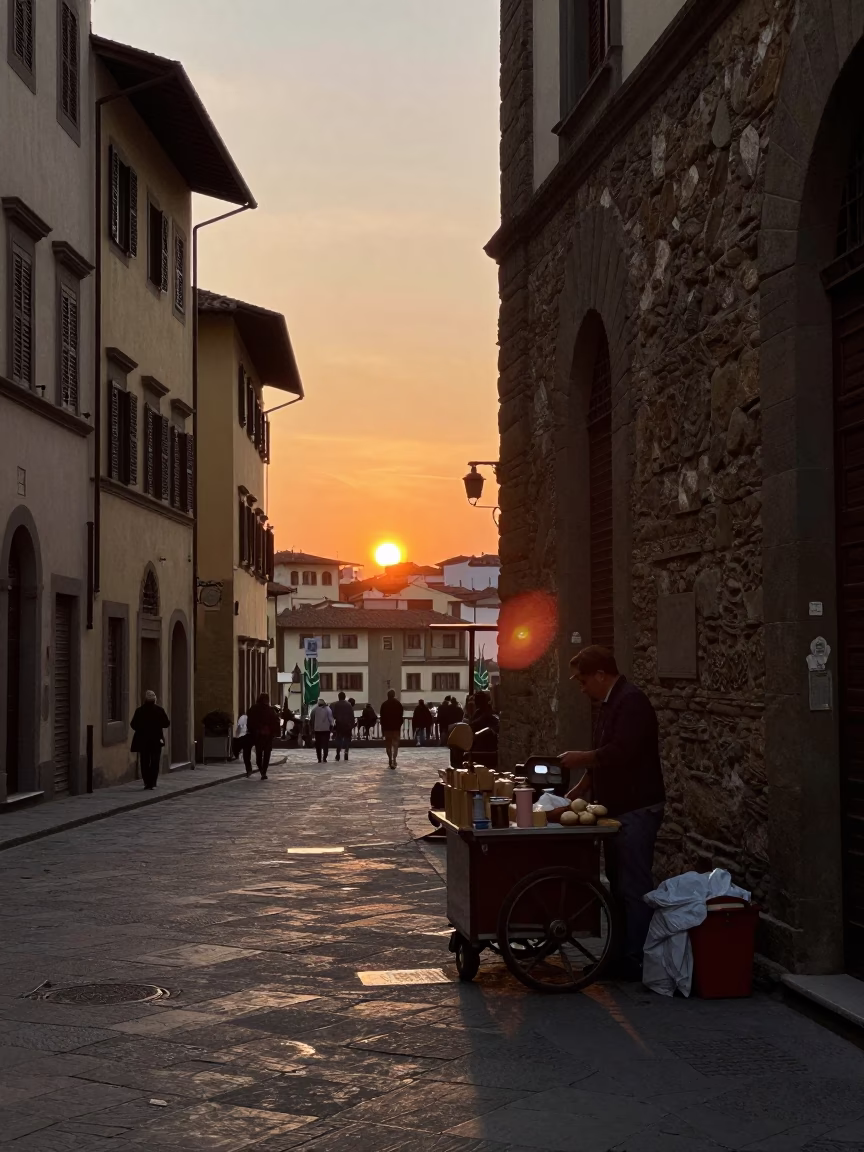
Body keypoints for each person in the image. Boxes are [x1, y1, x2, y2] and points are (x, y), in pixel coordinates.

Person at [559, 645, 666, 982]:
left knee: (633, 887)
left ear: (601, 675)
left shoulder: (631, 702)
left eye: (583, 680)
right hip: (618, 809)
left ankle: (635, 960)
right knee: (618, 886)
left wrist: (582, 758)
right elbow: (606, 753)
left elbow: (621, 751)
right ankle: (617, 957)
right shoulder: (608, 705)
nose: (581, 687)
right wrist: (581, 789)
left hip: (636, 808)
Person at [130, 690, 170, 790]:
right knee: (155, 761)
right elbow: (166, 723)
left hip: (143, 740)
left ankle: (147, 782)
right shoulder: (159, 710)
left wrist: (141, 729)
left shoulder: (139, 710)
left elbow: (133, 724)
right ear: (154, 699)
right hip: (156, 739)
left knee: (144, 761)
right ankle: (152, 782)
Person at [246, 692, 281, 780]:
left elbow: (249, 721)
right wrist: (274, 733)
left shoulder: (253, 709)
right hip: (268, 736)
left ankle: (261, 770)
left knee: (259, 753)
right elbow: (276, 722)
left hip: (258, 735)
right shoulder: (270, 710)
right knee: (266, 754)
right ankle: (263, 771)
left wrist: (252, 731)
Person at [380, 689, 404, 770]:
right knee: (395, 744)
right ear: (394, 695)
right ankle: (394, 759)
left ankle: (390, 759)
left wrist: (383, 728)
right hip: (396, 728)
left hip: (387, 728)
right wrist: (399, 725)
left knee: (388, 745)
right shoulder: (398, 704)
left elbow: (382, 718)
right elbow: (401, 717)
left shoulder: (384, 705)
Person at [332, 692, 355, 762]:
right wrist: (352, 724)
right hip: (347, 725)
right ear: (344, 697)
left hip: (339, 725)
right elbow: (352, 716)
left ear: (339, 697)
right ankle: (346, 752)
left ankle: (338, 753)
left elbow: (334, 715)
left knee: (339, 739)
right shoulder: (349, 705)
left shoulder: (336, 704)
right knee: (347, 739)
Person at [310, 698, 334, 763]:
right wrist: (332, 726)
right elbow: (330, 719)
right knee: (325, 744)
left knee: (318, 745)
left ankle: (319, 759)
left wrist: (312, 728)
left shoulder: (314, 710)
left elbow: (312, 719)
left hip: (317, 729)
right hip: (326, 729)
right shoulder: (328, 709)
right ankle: (324, 758)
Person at [233, 709, 254, 774]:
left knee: (245, 753)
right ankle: (249, 768)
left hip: (243, 737)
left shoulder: (243, 717)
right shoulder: (253, 718)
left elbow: (239, 727)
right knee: (247, 752)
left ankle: (248, 768)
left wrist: (236, 735)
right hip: (250, 737)